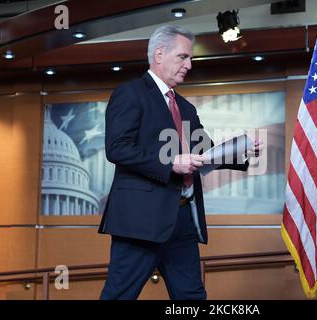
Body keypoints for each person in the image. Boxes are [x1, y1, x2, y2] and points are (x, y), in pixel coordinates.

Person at [98, 25, 261, 300]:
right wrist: (170, 163)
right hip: (140, 222)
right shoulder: (130, 93)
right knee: (119, 296)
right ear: (159, 54)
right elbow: (117, 148)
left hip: (183, 218)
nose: (189, 64)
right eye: (183, 57)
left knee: (192, 297)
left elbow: (207, 151)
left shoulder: (185, 107)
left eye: (190, 58)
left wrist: (242, 151)